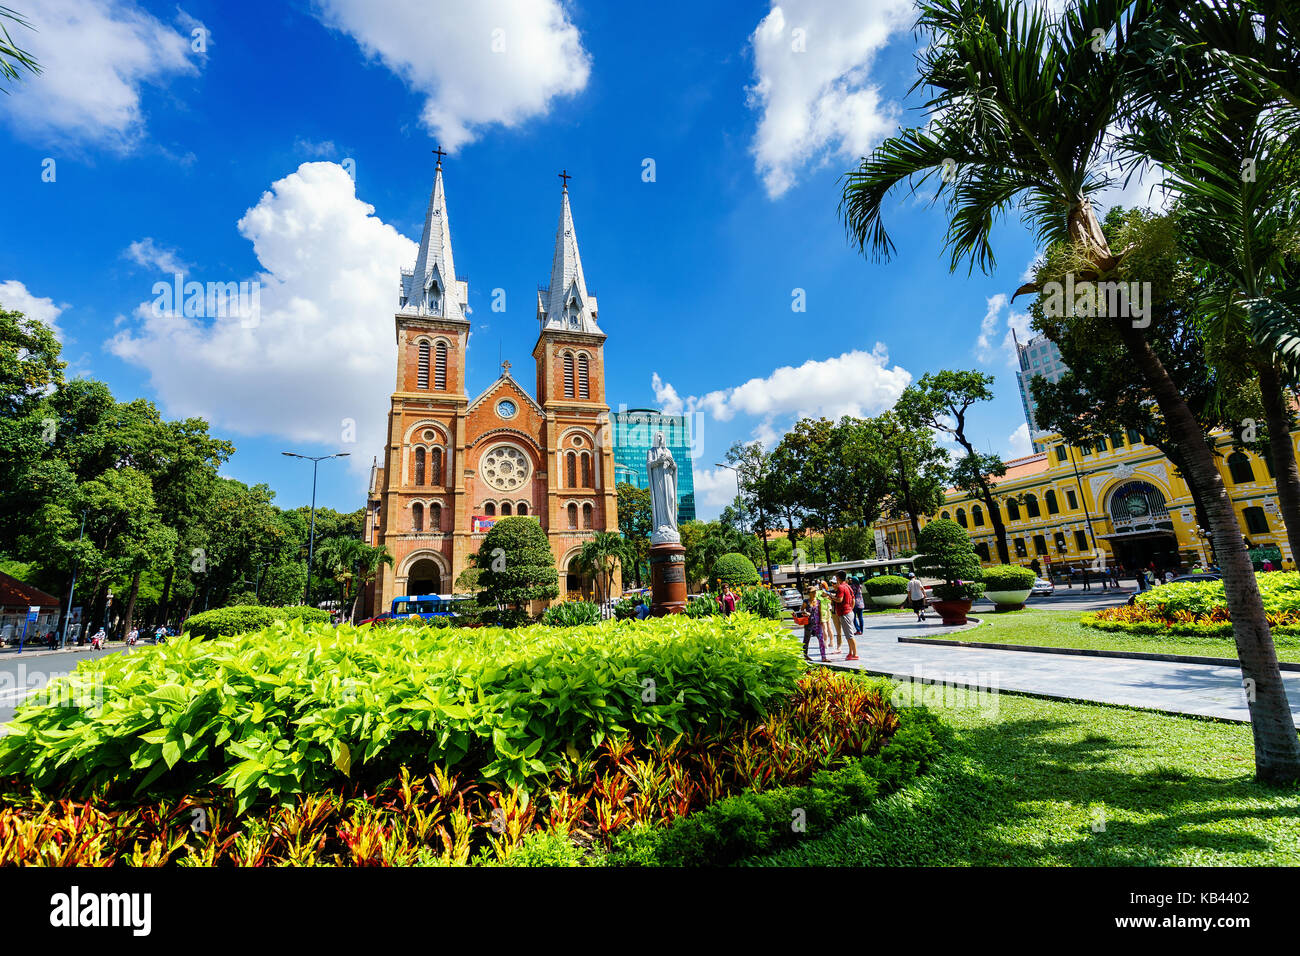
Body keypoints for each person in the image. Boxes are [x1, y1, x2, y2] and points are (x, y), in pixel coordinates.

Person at [833, 572, 859, 661]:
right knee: (848, 634)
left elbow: (839, 600)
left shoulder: (841, 587)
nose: (835, 579)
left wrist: (830, 596)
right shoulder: (847, 586)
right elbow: (853, 599)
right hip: (849, 612)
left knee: (850, 635)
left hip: (845, 613)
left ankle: (855, 654)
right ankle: (850, 652)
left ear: (838, 578)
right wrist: (850, 608)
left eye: (836, 577)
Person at [801, 591, 826, 662]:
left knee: (821, 640)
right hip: (808, 624)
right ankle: (805, 656)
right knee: (806, 640)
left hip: (817, 623)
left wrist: (821, 620)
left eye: (815, 592)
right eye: (812, 592)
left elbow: (820, 611)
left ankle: (823, 657)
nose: (814, 593)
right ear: (809, 593)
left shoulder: (818, 601)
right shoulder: (806, 602)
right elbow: (801, 610)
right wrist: (805, 612)